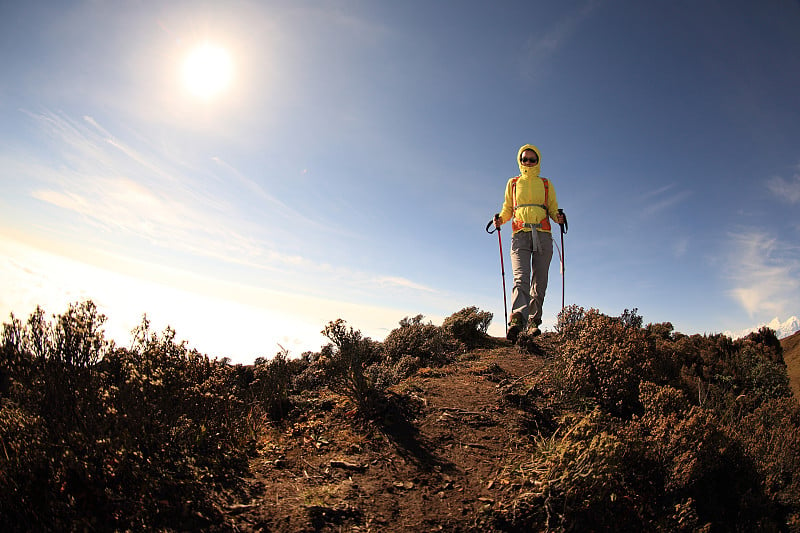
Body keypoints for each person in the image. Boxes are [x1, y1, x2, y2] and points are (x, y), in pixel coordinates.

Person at [493, 144, 566, 343]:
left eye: (532, 159)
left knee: (539, 280)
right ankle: (517, 321)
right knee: (520, 278)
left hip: (543, 235)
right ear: (520, 160)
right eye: (524, 159)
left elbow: (552, 208)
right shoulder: (513, 183)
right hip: (520, 235)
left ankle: (534, 323)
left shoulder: (546, 184)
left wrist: (557, 217)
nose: (528, 162)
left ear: (538, 161)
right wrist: (500, 218)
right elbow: (508, 208)